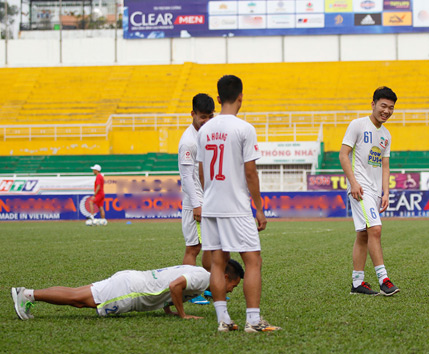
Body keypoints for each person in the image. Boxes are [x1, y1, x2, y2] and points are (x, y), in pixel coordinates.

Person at [196, 75, 281, 333]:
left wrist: (209, 195)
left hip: (211, 205)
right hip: (236, 207)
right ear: (241, 96)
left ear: (219, 99)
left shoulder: (205, 129)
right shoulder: (244, 128)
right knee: (253, 260)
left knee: (218, 262)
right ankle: (253, 321)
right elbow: (250, 173)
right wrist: (259, 207)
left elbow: (201, 171)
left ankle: (224, 320)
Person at [11, 259, 244, 321]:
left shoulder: (201, 276)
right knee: (78, 299)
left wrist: (168, 310)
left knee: (77, 294)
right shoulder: (203, 278)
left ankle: (30, 294)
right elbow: (175, 285)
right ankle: (28, 294)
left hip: (131, 282)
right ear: (225, 277)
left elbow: (171, 287)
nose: (232, 290)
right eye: (234, 285)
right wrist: (182, 315)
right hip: (131, 291)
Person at [339, 86, 400, 296]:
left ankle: (357, 283)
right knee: (375, 229)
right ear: (373, 104)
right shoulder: (357, 125)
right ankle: (384, 279)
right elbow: (343, 154)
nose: (387, 111)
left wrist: (386, 192)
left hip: (375, 191)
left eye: (391, 108)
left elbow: (385, 165)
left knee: (363, 234)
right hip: (360, 189)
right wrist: (353, 183)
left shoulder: (386, 135)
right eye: (383, 106)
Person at [178, 93, 215, 305]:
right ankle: (191, 293)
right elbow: (186, 178)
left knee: (210, 245)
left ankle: (209, 287)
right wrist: (196, 205)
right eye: (202, 117)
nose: (206, 121)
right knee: (193, 247)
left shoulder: (206, 135)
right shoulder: (188, 142)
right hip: (195, 202)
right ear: (192, 114)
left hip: (207, 199)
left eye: (210, 116)